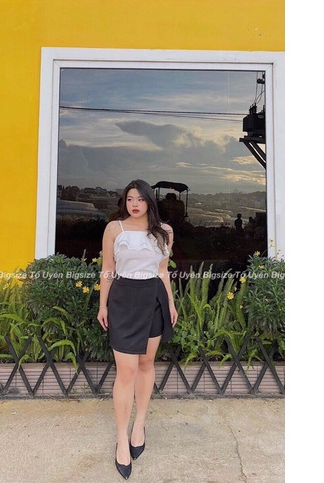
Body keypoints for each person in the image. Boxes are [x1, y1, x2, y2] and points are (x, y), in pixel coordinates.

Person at [97, 179, 178, 480]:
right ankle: (121, 437)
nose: (135, 204)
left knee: (146, 364)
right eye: (130, 199)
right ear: (125, 202)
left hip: (153, 299)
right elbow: (108, 269)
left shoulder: (164, 231)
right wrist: (103, 305)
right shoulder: (114, 229)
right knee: (126, 370)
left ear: (149, 202)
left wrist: (170, 302)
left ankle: (139, 423)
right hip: (123, 299)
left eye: (140, 199)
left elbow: (162, 270)